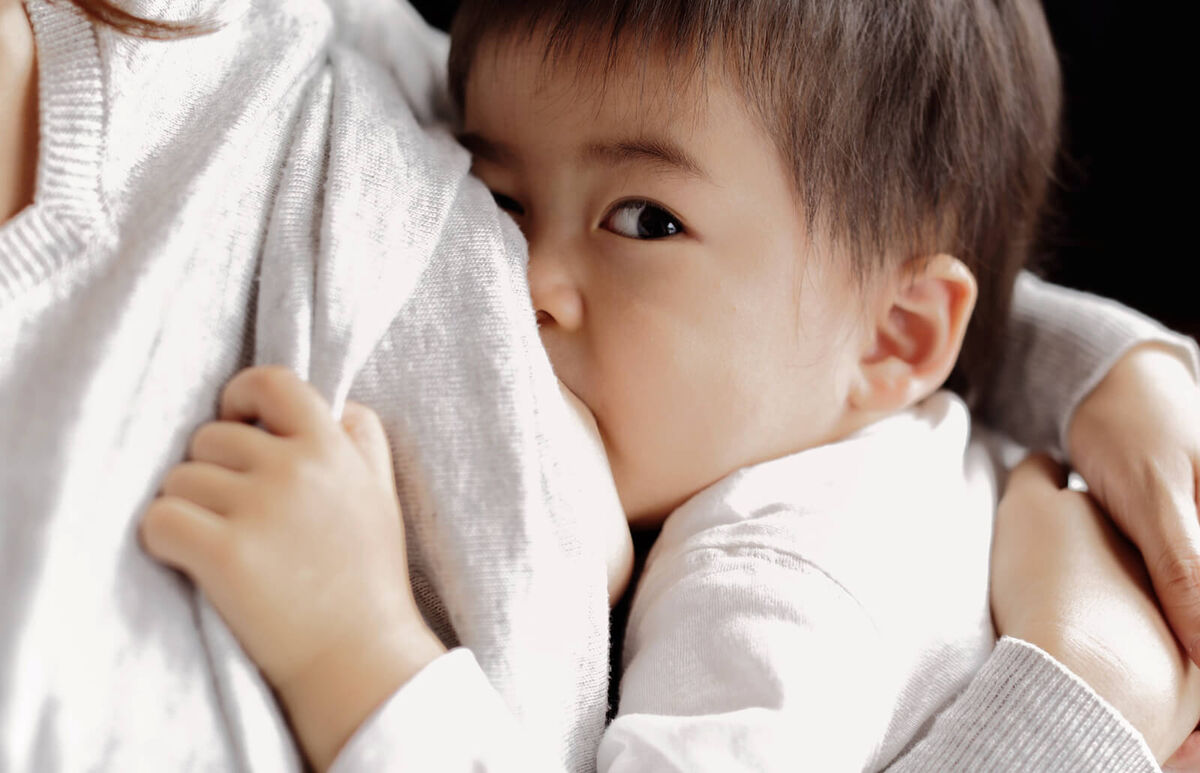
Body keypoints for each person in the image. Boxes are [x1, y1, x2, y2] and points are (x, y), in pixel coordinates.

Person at [2, 0, 1199, 770]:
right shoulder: (893, 435)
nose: (529, 277)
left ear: (900, 334)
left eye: (643, 218)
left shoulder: (774, 586)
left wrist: (354, 646)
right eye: (499, 195)